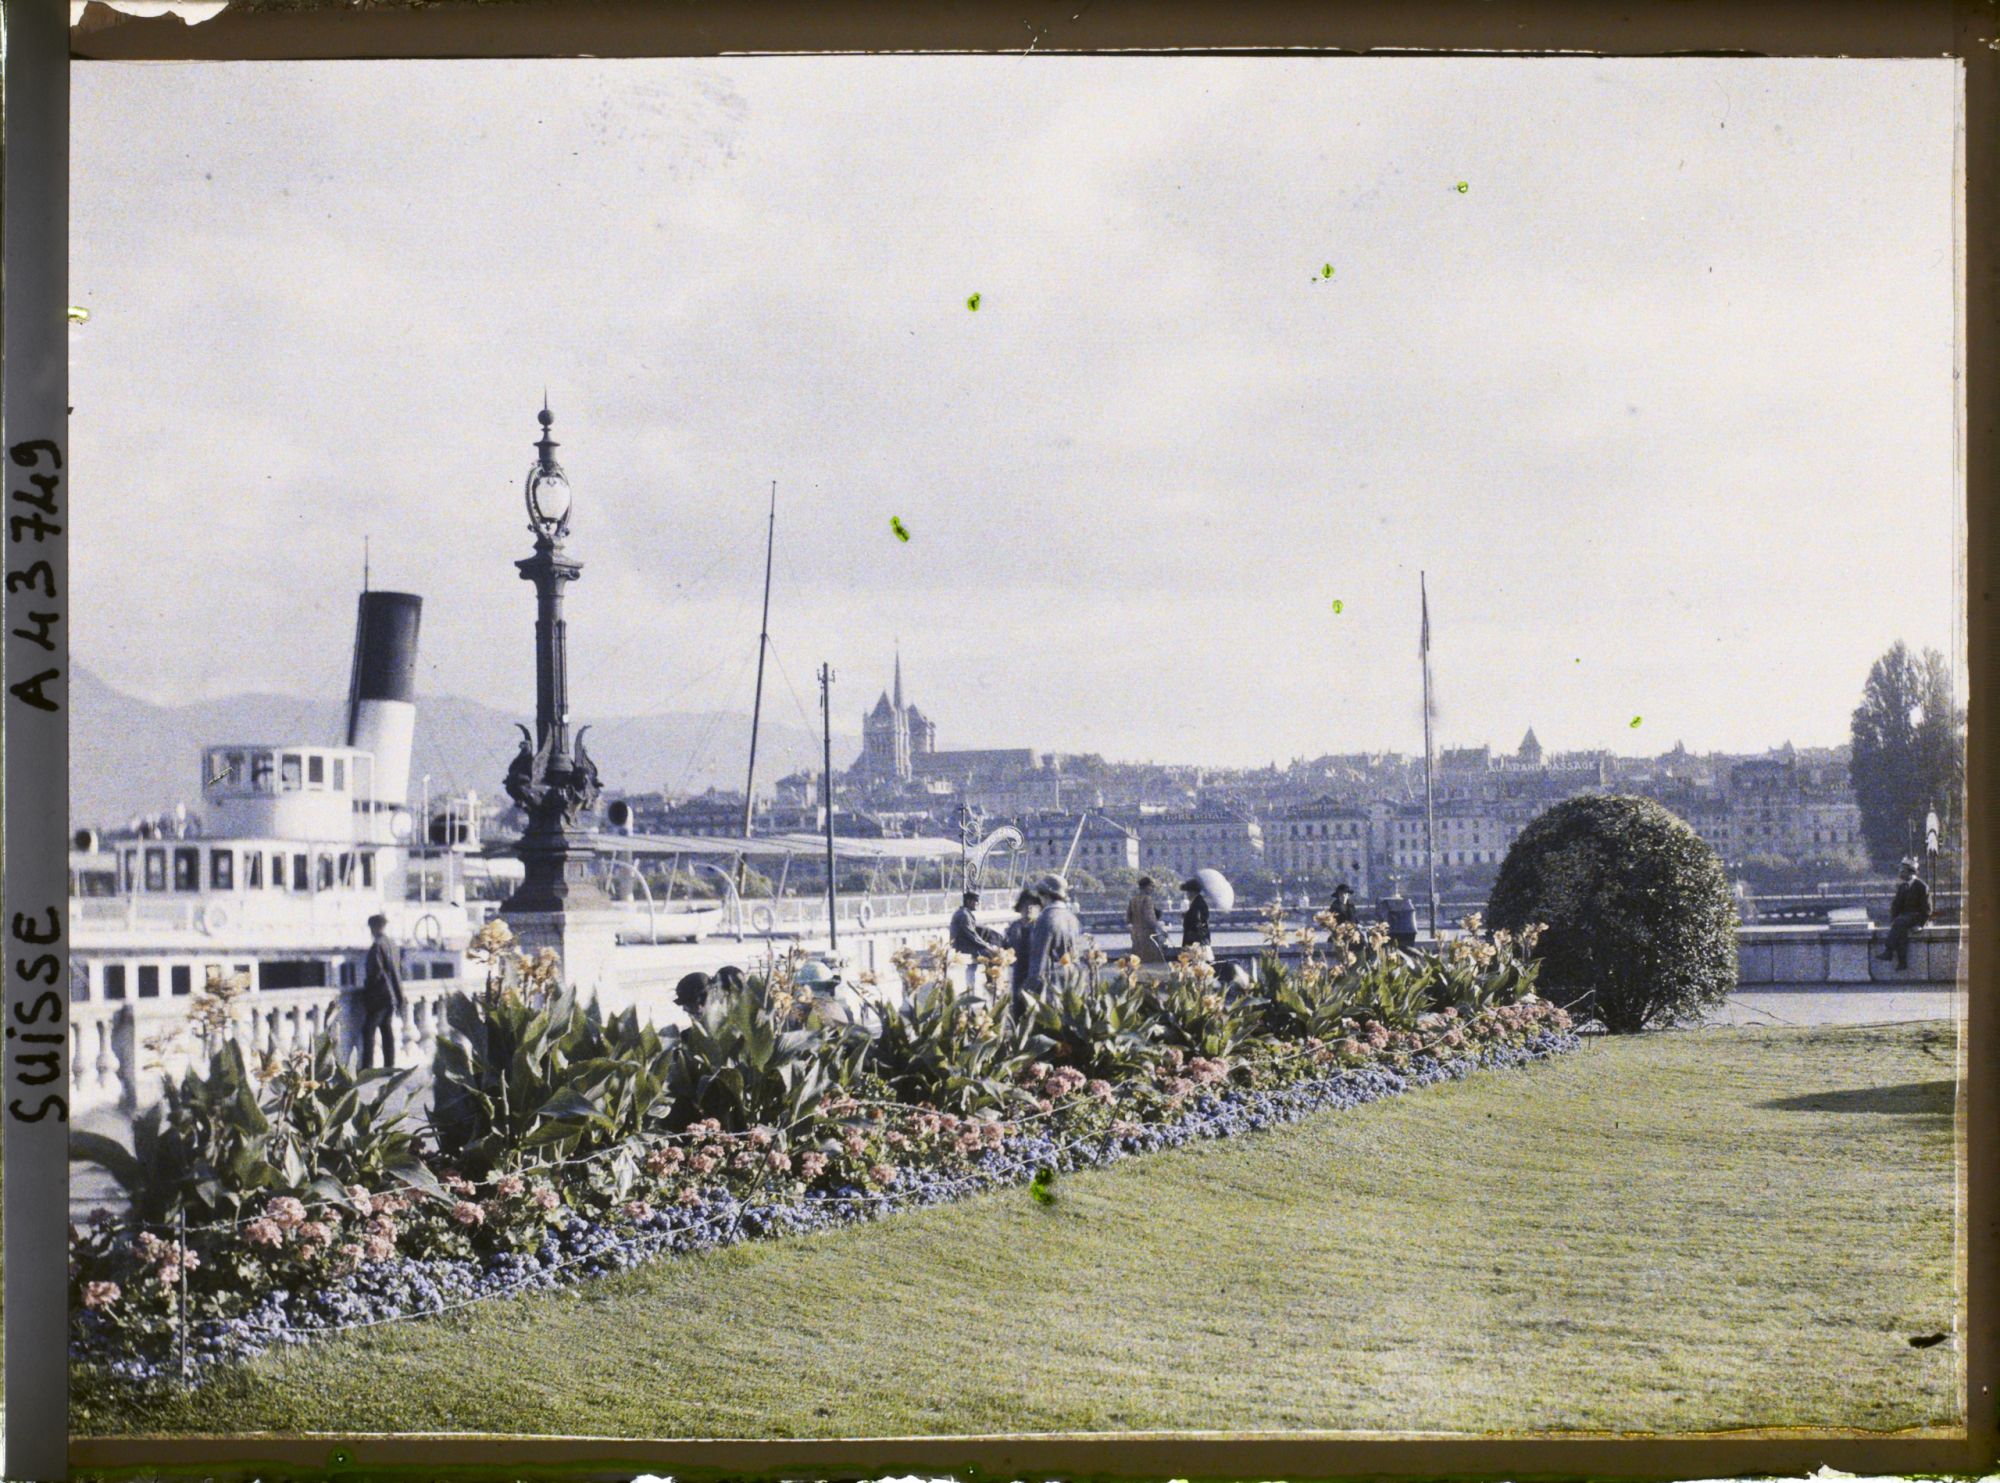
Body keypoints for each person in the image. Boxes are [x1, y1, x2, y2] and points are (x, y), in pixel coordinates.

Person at [1024, 873, 1082, 999]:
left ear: (1044, 895)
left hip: (1051, 987)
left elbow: (1039, 961)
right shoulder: (1071, 918)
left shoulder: (1045, 919)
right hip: (1072, 982)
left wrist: (1028, 992)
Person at [359, 913, 405, 1070]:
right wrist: (399, 996)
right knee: (386, 1029)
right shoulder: (392, 944)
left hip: (380, 994)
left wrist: (367, 989)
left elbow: (375, 973)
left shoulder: (377, 946)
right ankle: (389, 1065)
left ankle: (367, 1067)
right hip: (392, 994)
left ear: (374, 927)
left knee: (369, 1029)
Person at [1878, 856, 1932, 969]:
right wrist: (1893, 919)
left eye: (1902, 871)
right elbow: (1896, 905)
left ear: (1911, 872)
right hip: (1903, 920)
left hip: (1917, 917)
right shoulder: (1902, 886)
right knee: (1901, 930)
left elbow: (1927, 909)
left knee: (1900, 922)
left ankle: (1888, 951)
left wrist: (1921, 925)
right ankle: (1902, 962)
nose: (1899, 873)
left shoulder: (1922, 887)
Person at [948, 888, 1002, 990]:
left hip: (965, 943)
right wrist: (987, 946)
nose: (977, 904)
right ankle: (991, 983)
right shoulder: (963, 915)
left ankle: (991, 980)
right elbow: (972, 935)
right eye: (975, 902)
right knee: (989, 954)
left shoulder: (964, 913)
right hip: (962, 946)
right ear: (968, 901)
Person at [1002, 887, 1040, 1009]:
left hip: (1034, 970)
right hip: (1018, 970)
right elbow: (1006, 947)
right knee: (1018, 1004)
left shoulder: (1039, 926)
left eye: (1033, 905)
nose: (1029, 908)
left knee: (1034, 1005)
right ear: (1020, 907)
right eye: (1026, 905)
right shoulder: (1014, 926)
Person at [1127, 876, 1168, 964]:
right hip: (1147, 936)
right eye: (1151, 886)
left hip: (1136, 936)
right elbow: (1150, 919)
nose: (1153, 889)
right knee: (1152, 963)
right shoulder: (1147, 899)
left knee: (1138, 963)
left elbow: (1128, 919)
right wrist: (1162, 931)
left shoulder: (1133, 900)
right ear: (1146, 886)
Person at [1180, 876, 1212, 950]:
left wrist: (1186, 917)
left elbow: (1196, 921)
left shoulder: (1198, 904)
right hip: (1197, 940)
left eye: (1188, 892)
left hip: (1195, 942)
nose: (1187, 894)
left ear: (1192, 892)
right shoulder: (1198, 902)